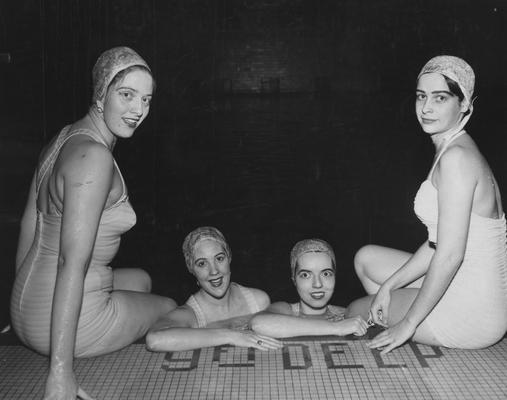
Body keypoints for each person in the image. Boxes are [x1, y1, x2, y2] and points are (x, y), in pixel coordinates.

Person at [10, 47, 177, 400]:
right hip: (64, 320)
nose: (138, 111)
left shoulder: (63, 138)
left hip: (24, 307)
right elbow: (72, 262)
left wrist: (18, 308)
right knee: (168, 307)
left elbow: (29, 224)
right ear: (101, 93)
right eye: (127, 95)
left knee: (141, 279)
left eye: (147, 99)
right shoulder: (94, 158)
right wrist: (60, 374)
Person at [347, 55, 507, 354]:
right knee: (366, 260)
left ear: (464, 104)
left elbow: (449, 256)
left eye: (440, 98)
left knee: (357, 309)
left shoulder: (457, 160)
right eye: (421, 96)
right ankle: (408, 311)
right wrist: (389, 286)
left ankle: (417, 322)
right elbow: (437, 243)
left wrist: (407, 324)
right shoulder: (452, 146)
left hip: (474, 312)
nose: (426, 108)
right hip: (468, 285)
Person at [146, 226, 282, 352]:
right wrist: (231, 336)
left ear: (229, 258)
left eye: (219, 258)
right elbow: (155, 339)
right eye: (202, 263)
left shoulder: (258, 301)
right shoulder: (191, 316)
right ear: (192, 269)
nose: (214, 271)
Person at [250, 239, 368, 338]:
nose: (317, 284)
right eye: (306, 275)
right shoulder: (285, 311)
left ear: (335, 277)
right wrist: (336, 328)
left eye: (326, 274)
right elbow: (258, 324)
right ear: (294, 279)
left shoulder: (347, 313)